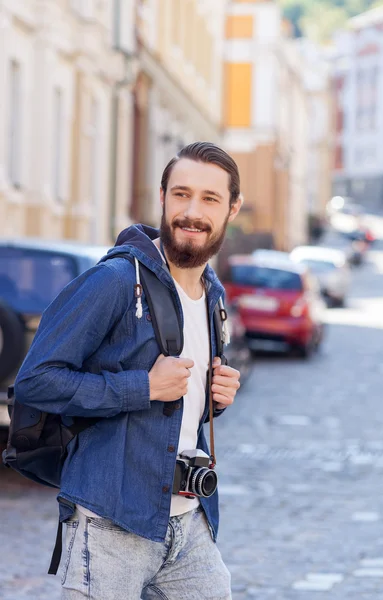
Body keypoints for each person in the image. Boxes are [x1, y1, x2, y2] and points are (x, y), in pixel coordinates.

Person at [14, 141, 243, 600]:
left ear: (232, 209)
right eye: (181, 194)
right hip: (111, 522)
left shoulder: (213, 295)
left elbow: (179, 414)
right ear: (162, 196)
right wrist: (143, 387)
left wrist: (215, 396)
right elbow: (35, 381)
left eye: (209, 199)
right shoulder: (116, 281)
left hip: (187, 521)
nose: (191, 211)